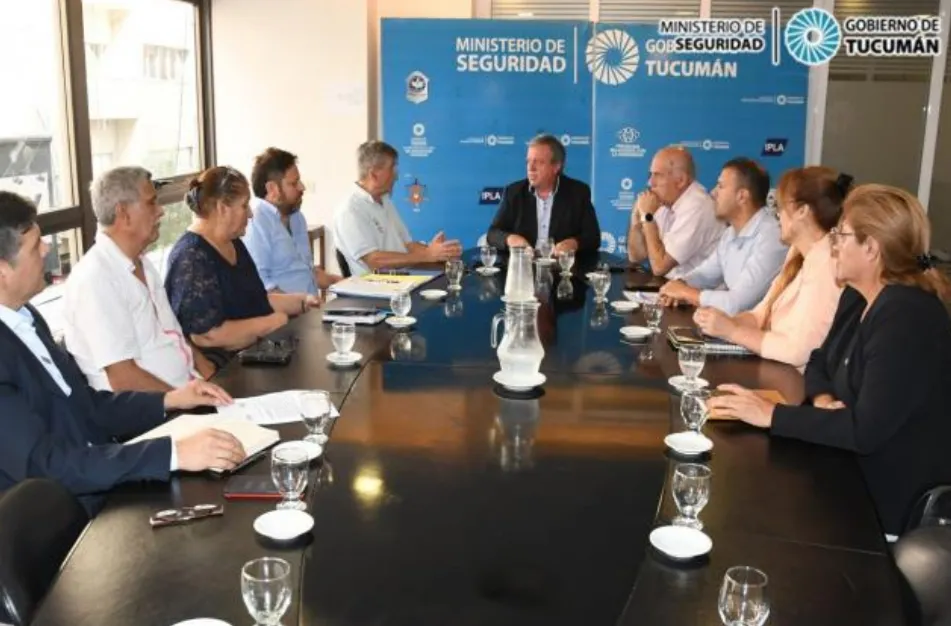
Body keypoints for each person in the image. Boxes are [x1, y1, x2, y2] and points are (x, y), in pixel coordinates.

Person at [708, 184, 951, 536]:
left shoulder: (907, 316)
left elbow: (865, 431)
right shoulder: (857, 297)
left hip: (885, 508)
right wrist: (822, 399)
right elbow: (820, 360)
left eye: (842, 235)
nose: (833, 244)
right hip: (843, 471)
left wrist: (771, 415)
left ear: (871, 248)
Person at [0, 191, 247, 516]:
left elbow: (87, 406)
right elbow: (46, 463)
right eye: (35, 246)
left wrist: (170, 399)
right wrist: (172, 454)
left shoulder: (26, 317)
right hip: (66, 517)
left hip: (101, 478)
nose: (47, 249)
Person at [63, 166, 216, 392]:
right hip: (158, 409)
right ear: (123, 213)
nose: (161, 211)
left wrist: (215, 378)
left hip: (189, 390)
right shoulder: (96, 279)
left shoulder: (141, 262)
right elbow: (124, 379)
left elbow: (175, 337)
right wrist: (187, 401)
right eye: (151, 203)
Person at [693, 167, 847, 369]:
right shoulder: (797, 253)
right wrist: (723, 322)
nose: (777, 214)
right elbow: (761, 315)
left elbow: (800, 351)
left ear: (802, 211)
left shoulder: (827, 265)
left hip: (794, 379)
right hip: (775, 369)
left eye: (780, 206)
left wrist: (732, 331)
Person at [165, 166, 320, 367]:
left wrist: (302, 301)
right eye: (244, 205)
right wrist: (270, 323)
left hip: (251, 355)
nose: (250, 214)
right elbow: (207, 335)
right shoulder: (192, 257)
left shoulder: (234, 242)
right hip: (217, 369)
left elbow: (254, 301)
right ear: (222, 208)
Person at [659, 158, 788, 314]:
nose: (713, 193)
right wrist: (680, 284)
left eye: (720, 186)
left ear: (742, 196)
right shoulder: (730, 233)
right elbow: (706, 274)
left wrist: (685, 293)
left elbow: (737, 303)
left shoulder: (772, 237)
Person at [333, 140, 461, 276]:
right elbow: (374, 261)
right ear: (374, 174)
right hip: (376, 285)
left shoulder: (385, 200)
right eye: (392, 168)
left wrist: (438, 252)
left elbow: (408, 245)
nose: (397, 176)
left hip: (404, 277)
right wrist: (427, 255)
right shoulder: (350, 210)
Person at [241, 147, 341, 294]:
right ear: (272, 188)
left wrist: (346, 283)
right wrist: (299, 303)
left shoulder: (297, 218)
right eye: (294, 183)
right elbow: (262, 286)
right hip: (288, 308)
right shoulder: (257, 224)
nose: (302, 187)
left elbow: (306, 272)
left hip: (309, 305)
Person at [486, 133, 601, 254]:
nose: (531, 168)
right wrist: (510, 239)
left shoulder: (578, 193)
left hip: (560, 264)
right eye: (528, 162)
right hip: (524, 263)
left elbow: (593, 237)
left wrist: (573, 243)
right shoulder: (514, 192)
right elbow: (493, 233)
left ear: (556, 166)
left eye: (538, 162)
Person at [627, 146, 723, 279]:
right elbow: (636, 256)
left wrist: (647, 217)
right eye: (650, 175)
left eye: (657, 175)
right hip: (672, 286)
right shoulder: (664, 202)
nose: (650, 183)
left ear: (680, 181)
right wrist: (636, 220)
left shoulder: (697, 206)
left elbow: (659, 267)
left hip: (697, 290)